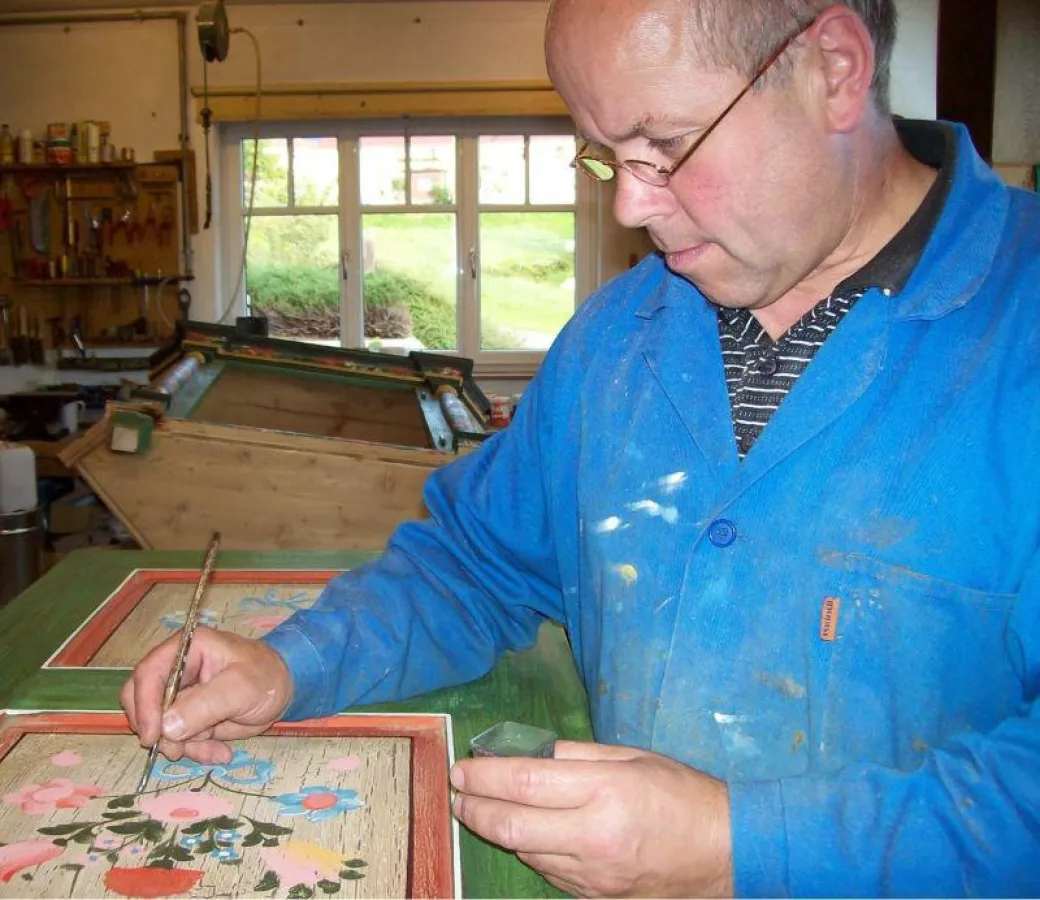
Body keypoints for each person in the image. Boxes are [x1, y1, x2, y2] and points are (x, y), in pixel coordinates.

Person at [122, 0, 1040, 895]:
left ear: (834, 70)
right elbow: (472, 567)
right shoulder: (613, 340)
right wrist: (295, 661)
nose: (636, 206)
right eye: (608, 159)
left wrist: (741, 849)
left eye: (667, 145)